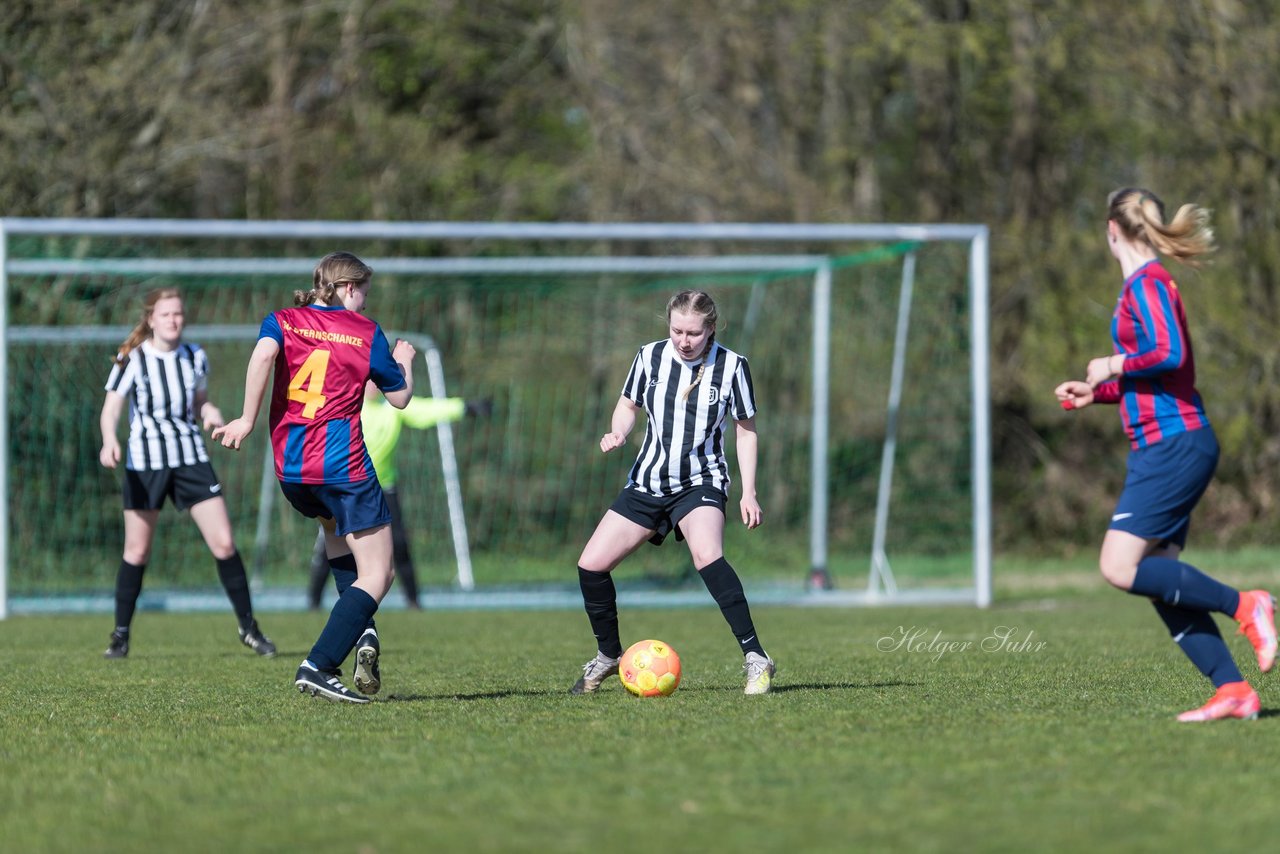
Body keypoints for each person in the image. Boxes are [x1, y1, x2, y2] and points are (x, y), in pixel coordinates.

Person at [1055, 187, 1277, 722]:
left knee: (1118, 566)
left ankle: (1247, 605)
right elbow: (1161, 373)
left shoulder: (1146, 283)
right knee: (1159, 577)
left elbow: (1169, 351)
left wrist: (1111, 364)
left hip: (1172, 446)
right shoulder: (1142, 286)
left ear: (1112, 231)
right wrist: (1098, 392)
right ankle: (1233, 691)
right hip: (1170, 442)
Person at [213, 251, 415, 704]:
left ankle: (362, 632)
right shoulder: (366, 332)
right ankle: (320, 665)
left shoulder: (282, 319)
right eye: (363, 290)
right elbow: (400, 398)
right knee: (379, 574)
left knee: (339, 544)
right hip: (344, 467)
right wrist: (405, 361)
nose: (365, 299)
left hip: (293, 471)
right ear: (346, 288)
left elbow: (264, 355)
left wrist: (246, 419)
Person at [571, 289, 776, 696]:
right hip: (648, 481)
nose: (683, 340)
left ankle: (756, 657)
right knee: (591, 565)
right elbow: (628, 405)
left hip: (701, 479)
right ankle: (609, 656)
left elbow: (746, 430)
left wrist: (748, 491)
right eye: (676, 330)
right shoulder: (649, 356)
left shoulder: (733, 367)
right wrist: (617, 431)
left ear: (711, 328)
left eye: (694, 333)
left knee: (707, 555)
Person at [98, 287, 275, 659]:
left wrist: (210, 413)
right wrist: (108, 439)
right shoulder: (132, 358)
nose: (173, 320)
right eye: (166, 315)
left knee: (224, 543)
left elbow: (199, 401)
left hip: (190, 458)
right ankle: (120, 635)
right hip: (145, 462)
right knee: (137, 550)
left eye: (178, 314)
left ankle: (249, 628)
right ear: (151, 319)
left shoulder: (194, 355)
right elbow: (111, 408)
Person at [306, 385, 491, 610]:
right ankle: (313, 602)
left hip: (383, 489)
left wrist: (465, 407)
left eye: (376, 381)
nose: (373, 385)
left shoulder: (392, 409)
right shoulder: (346, 407)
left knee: (399, 544)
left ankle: (413, 601)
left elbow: (428, 410)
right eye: (368, 380)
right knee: (333, 541)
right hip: (347, 488)